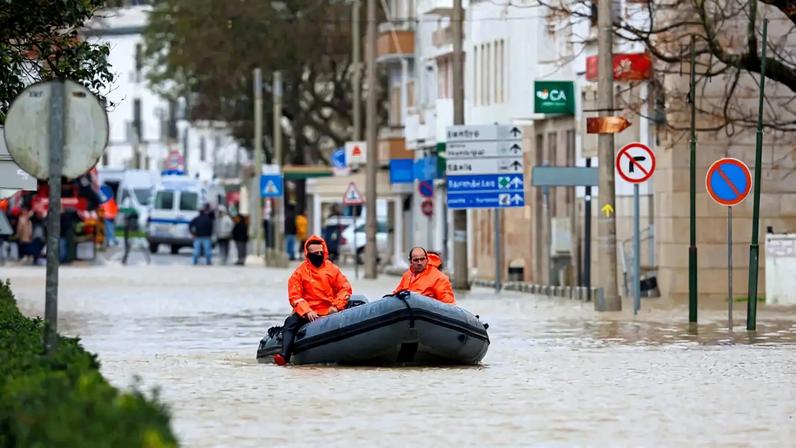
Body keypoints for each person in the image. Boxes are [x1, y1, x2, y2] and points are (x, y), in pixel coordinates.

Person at [273, 235, 353, 366]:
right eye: (316, 253)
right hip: (308, 312)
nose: (319, 255)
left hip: (329, 310)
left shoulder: (332, 269)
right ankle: (284, 355)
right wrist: (307, 311)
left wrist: (336, 306)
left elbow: (345, 288)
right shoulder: (300, 272)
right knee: (290, 323)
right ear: (308, 254)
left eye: (321, 252)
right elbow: (295, 296)